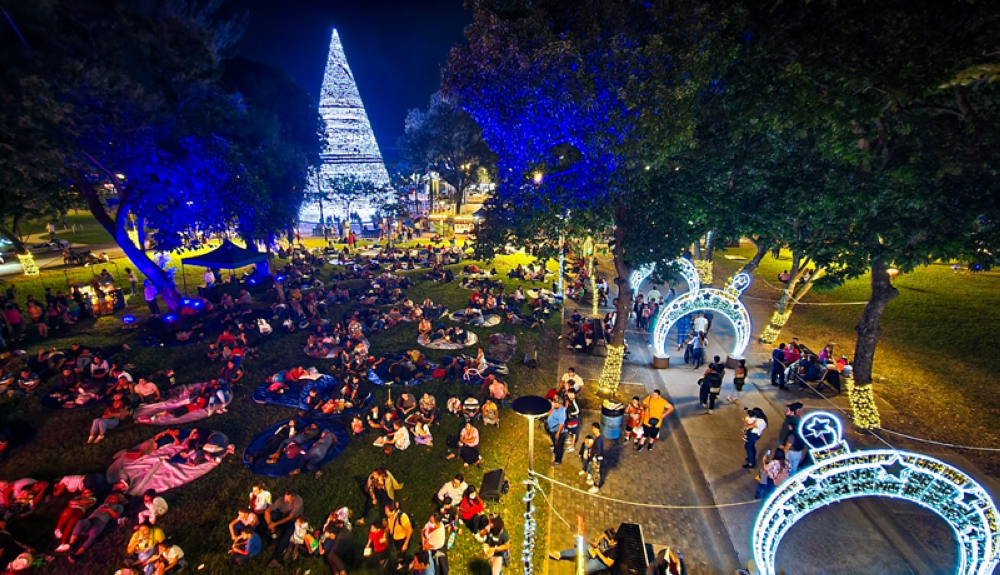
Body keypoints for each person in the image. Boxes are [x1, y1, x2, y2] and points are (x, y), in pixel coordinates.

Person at [547, 527, 619, 574]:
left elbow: (609, 563)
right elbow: (603, 535)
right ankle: (560, 554)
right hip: (595, 550)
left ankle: (585, 558)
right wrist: (597, 542)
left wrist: (598, 553)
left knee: (583, 569)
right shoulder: (610, 535)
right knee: (580, 549)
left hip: (601, 561)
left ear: (612, 541)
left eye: (606, 539)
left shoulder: (615, 550)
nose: (605, 538)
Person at [265, 491, 304, 568]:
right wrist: (270, 523)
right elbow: (267, 511)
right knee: (271, 517)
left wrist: (275, 524)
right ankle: (272, 540)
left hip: (291, 521)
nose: (285, 500)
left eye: (288, 498)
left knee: (287, 535)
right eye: (285, 497)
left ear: (293, 497)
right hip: (282, 515)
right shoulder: (281, 500)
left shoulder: (298, 501)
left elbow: (290, 517)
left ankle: (275, 557)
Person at [779, 403, 806, 474]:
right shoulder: (795, 420)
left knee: (789, 468)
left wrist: (781, 446)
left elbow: (786, 448)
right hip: (797, 451)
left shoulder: (792, 436)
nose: (785, 411)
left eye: (787, 410)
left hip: (792, 452)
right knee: (794, 468)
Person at [386, 502, 413, 568]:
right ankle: (400, 560)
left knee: (402, 554)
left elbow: (409, 530)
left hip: (402, 540)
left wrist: (406, 543)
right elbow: (390, 525)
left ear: (392, 511)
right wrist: (385, 532)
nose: (385, 513)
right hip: (395, 538)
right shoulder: (390, 516)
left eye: (386, 511)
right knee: (398, 551)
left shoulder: (402, 517)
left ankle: (403, 564)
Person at [546, 398, 567, 465]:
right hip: (552, 430)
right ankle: (555, 452)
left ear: (560, 404)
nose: (554, 404)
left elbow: (561, 424)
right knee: (555, 443)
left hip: (558, 432)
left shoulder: (561, 412)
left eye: (555, 403)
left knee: (559, 447)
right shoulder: (556, 408)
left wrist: (558, 433)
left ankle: (558, 460)